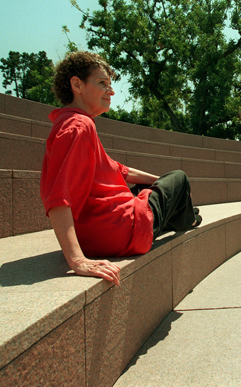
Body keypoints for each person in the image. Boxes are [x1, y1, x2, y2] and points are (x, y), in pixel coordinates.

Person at [40, 51, 201, 286]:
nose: (111, 91)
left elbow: (121, 170)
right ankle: (188, 219)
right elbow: (57, 196)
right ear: (77, 84)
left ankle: (183, 212)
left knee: (167, 183)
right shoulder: (78, 126)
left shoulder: (71, 123)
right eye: (102, 83)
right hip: (123, 233)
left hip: (94, 235)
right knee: (180, 177)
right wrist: (76, 260)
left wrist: (163, 183)